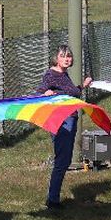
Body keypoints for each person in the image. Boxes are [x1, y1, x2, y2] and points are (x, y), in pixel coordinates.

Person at [36, 44, 91, 209]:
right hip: (61, 121)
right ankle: (52, 200)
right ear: (56, 58)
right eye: (63, 56)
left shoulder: (64, 74)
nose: (67, 59)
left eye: (69, 56)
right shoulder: (51, 74)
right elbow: (40, 92)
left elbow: (71, 93)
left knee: (64, 159)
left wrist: (83, 86)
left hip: (70, 119)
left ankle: (53, 198)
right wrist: (45, 94)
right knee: (62, 160)